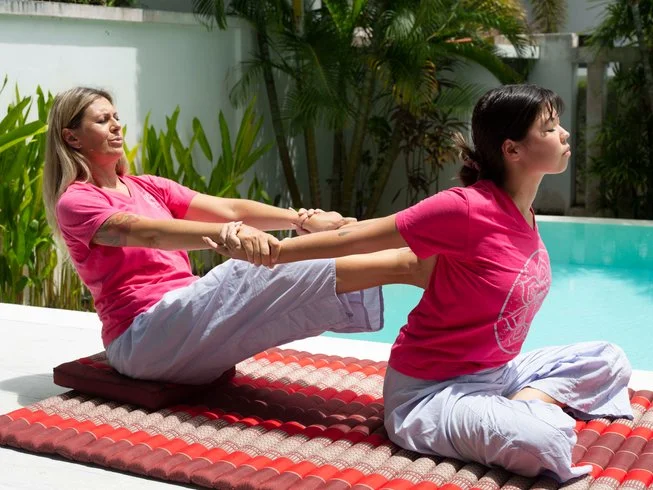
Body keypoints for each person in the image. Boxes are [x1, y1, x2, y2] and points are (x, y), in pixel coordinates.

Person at [212, 84, 633, 481]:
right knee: (548, 440)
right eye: (550, 127)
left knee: (609, 359)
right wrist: (277, 252)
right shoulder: (464, 209)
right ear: (512, 149)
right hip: (430, 392)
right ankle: (515, 413)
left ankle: (517, 406)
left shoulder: (525, 212)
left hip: (497, 374)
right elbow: (358, 236)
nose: (564, 133)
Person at [42, 86, 433, 386]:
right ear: (72, 138)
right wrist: (230, 237)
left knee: (280, 271)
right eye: (102, 120)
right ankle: (408, 266)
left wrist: (302, 219)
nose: (116, 126)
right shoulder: (76, 201)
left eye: (116, 117)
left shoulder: (148, 186)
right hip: (142, 340)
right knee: (249, 270)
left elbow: (231, 210)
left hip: (184, 326)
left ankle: (408, 261)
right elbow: (150, 234)